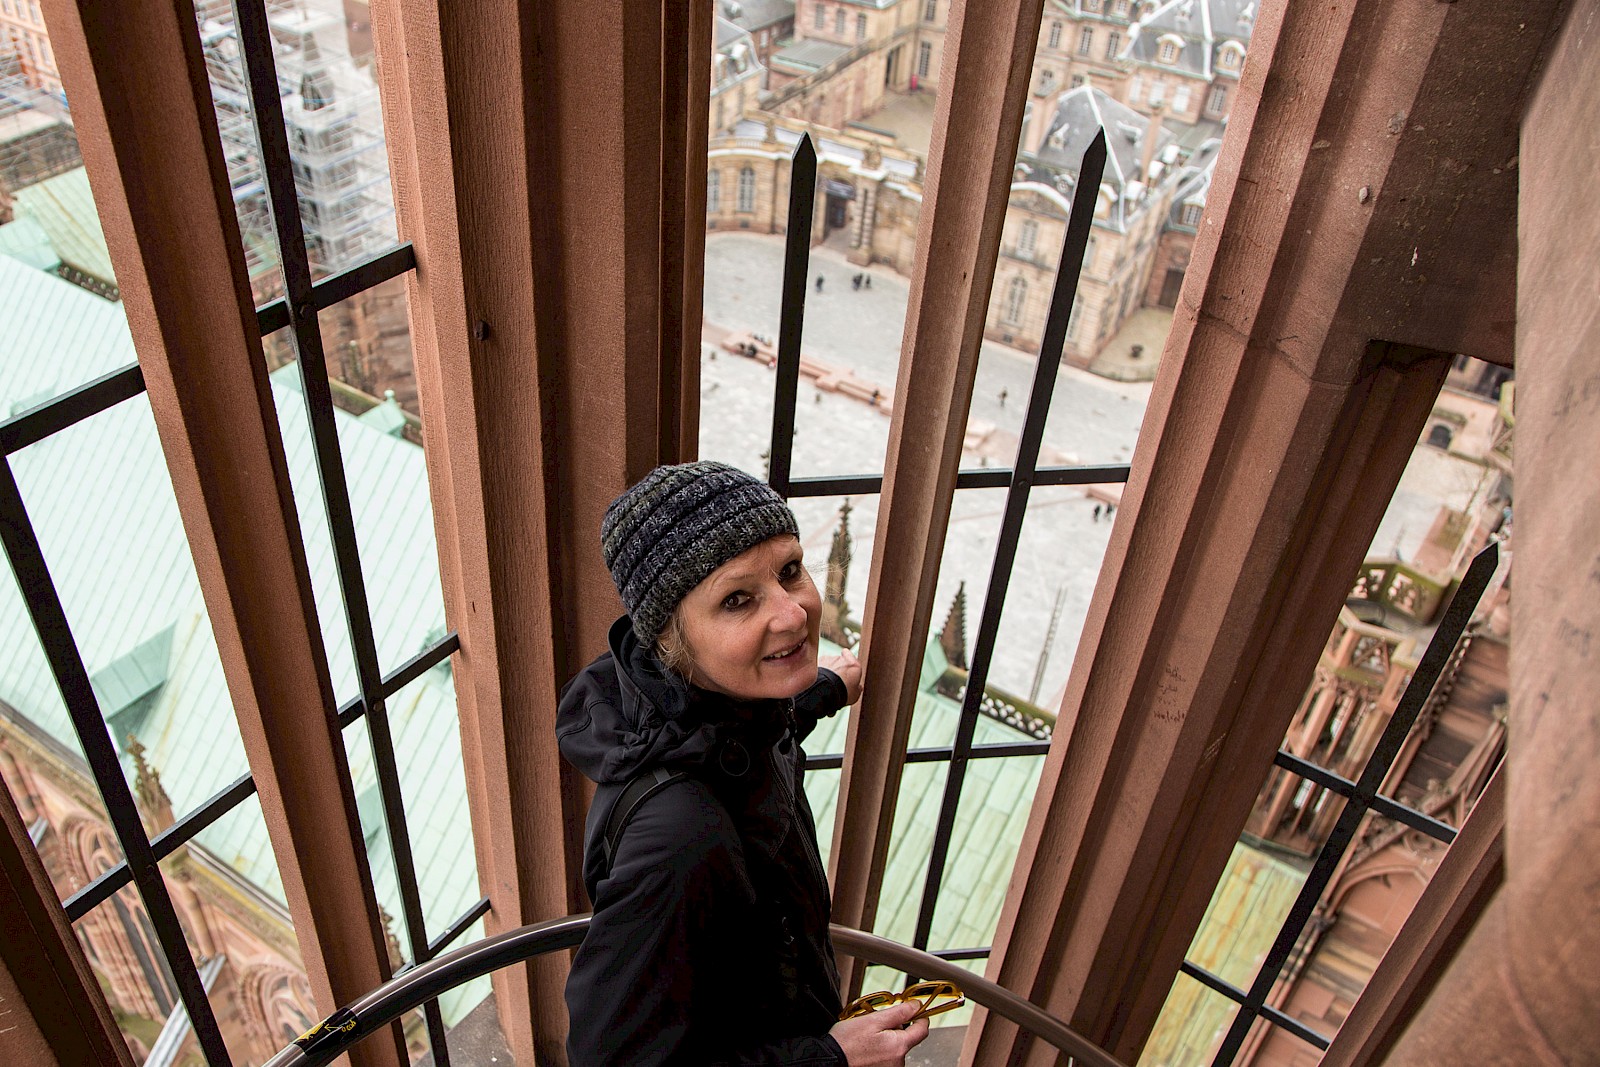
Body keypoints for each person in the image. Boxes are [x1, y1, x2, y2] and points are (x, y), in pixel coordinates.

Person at [558, 461, 930, 1066]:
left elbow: (743, 742)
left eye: (790, 571)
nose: (794, 613)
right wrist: (829, 1059)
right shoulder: (679, 836)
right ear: (671, 640)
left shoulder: (717, 705)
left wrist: (823, 690)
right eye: (737, 599)